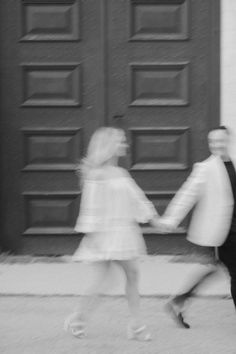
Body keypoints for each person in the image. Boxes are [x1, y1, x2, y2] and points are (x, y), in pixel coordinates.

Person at [64, 127, 160, 341]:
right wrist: (93, 235)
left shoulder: (122, 173)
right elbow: (90, 207)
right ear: (109, 146)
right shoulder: (97, 175)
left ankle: (135, 325)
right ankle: (78, 318)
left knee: (131, 275)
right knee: (105, 280)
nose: (125, 144)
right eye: (120, 141)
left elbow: (138, 199)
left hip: (124, 232)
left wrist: (155, 220)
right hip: (104, 233)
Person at [159, 126, 236, 328]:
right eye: (212, 142)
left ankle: (178, 300)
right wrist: (170, 220)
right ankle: (178, 301)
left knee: (216, 269)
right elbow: (187, 195)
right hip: (223, 232)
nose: (216, 145)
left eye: (220, 141)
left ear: (228, 140)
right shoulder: (206, 168)